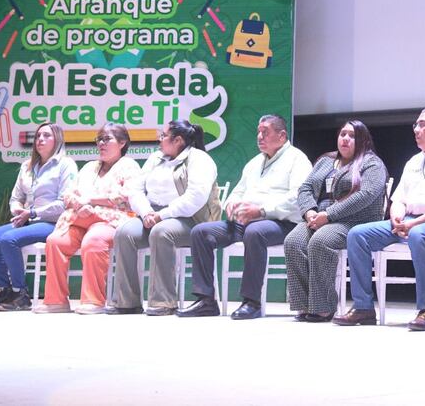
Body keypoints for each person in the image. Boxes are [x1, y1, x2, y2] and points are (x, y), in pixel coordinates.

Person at [337, 107, 425, 330]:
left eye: (423, 124)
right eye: (415, 124)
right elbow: (399, 199)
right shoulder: (414, 160)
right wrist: (397, 218)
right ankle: (363, 307)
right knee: (358, 234)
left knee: (418, 234)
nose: (416, 129)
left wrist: (415, 223)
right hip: (409, 221)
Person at [177, 114, 311, 319]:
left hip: (282, 223)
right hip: (246, 221)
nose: (259, 136)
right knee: (201, 232)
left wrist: (262, 210)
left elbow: (297, 198)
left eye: (265, 132)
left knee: (255, 232)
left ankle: (252, 302)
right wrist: (231, 205)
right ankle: (205, 300)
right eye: (258, 131)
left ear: (282, 135)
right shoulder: (255, 162)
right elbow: (238, 192)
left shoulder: (297, 159)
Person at [107, 120, 221, 316]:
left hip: (191, 219)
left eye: (163, 135)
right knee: (124, 232)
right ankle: (128, 301)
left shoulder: (199, 159)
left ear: (178, 140)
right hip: (152, 215)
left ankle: (164, 301)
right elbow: (135, 189)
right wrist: (146, 213)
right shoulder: (156, 158)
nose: (159, 139)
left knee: (161, 233)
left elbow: (195, 198)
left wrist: (161, 215)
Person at [285, 121, 388, 321]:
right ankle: (305, 304)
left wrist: (329, 215)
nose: (346, 139)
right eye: (343, 134)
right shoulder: (326, 160)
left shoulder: (372, 163)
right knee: (293, 241)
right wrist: (309, 212)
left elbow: (366, 195)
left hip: (355, 220)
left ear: (363, 140)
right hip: (318, 217)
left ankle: (323, 306)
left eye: (352, 135)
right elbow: (305, 188)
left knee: (321, 241)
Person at [36, 123, 141, 314]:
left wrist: (90, 200)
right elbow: (68, 194)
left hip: (109, 221)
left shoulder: (130, 166)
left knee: (93, 241)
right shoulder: (89, 167)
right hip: (79, 217)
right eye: (99, 139)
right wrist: (80, 205)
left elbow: (125, 197)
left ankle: (93, 301)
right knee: (55, 241)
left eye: (107, 139)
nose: (101, 143)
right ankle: (56, 300)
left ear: (122, 142)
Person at [0, 123, 78, 312]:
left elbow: (64, 203)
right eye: (38, 136)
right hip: (26, 220)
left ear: (57, 139)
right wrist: (17, 209)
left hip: (52, 222)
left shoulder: (66, 165)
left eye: (46, 136)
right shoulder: (27, 166)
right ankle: (6, 290)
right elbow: (16, 198)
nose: (40, 139)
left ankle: (21, 294)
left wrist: (33, 212)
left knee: (9, 239)